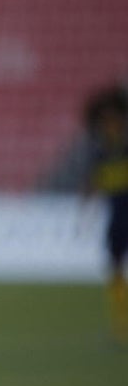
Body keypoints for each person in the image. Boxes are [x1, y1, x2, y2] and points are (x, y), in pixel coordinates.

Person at [80, 82, 128, 342]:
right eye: (104, 120)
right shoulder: (101, 151)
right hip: (118, 216)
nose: (108, 124)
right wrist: (85, 201)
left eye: (113, 118)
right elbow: (94, 181)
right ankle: (122, 324)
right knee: (115, 265)